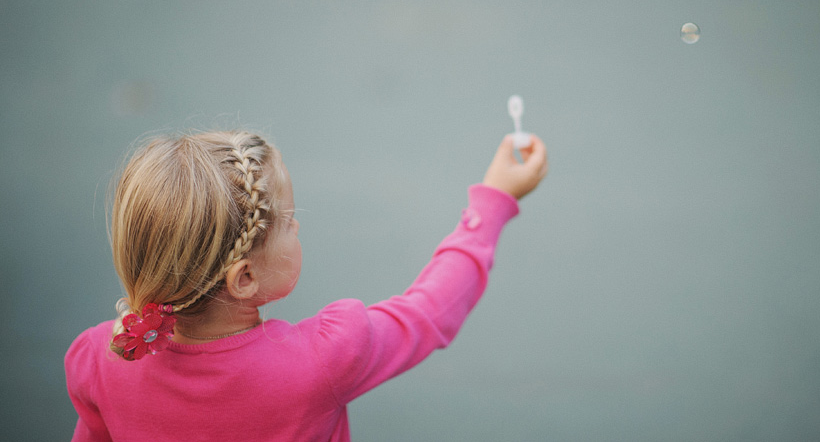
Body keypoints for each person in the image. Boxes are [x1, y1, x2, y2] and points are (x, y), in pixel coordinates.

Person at [65, 129, 547, 441]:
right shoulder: (324, 359)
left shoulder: (100, 359)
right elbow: (429, 310)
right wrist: (496, 199)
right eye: (290, 220)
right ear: (245, 278)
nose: (298, 227)